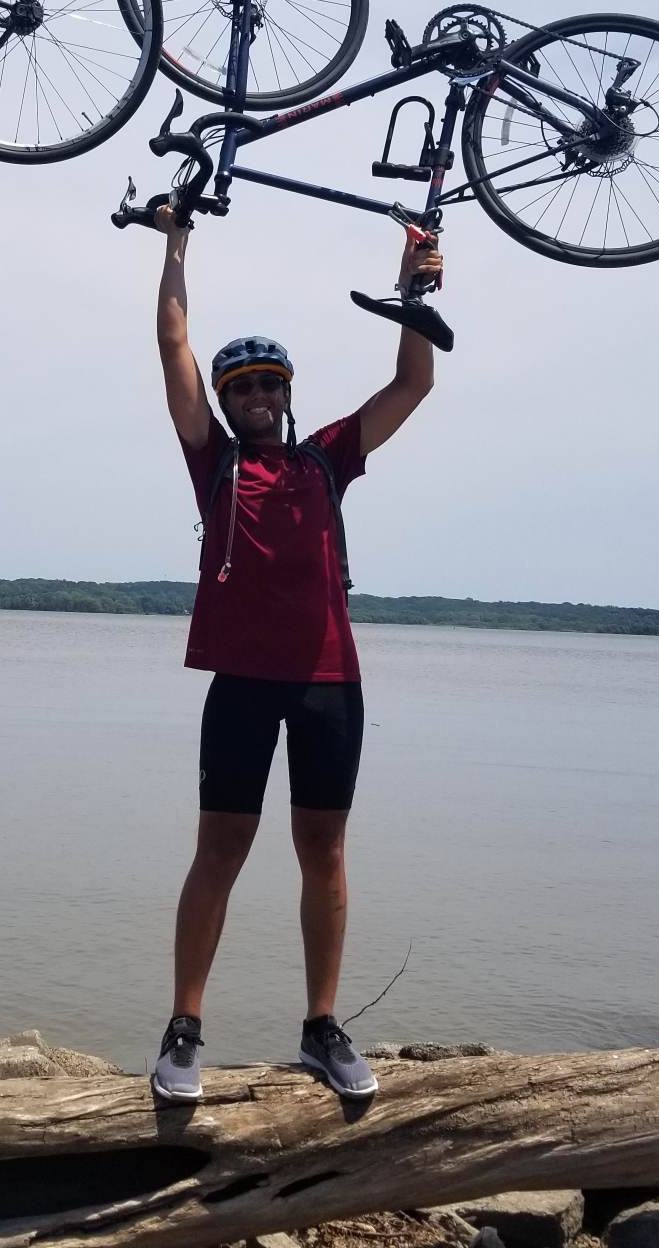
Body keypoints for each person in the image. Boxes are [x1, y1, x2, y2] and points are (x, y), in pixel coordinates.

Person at [147, 208, 442, 1102]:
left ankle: (320, 1026)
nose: (256, 400)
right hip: (240, 686)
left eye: (270, 386)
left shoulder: (324, 460)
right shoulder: (216, 464)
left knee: (325, 851)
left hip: (328, 685)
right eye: (241, 390)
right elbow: (174, 349)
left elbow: (412, 383)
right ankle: (184, 1029)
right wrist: (174, 247)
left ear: (286, 393)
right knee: (220, 852)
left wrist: (416, 288)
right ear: (228, 404)